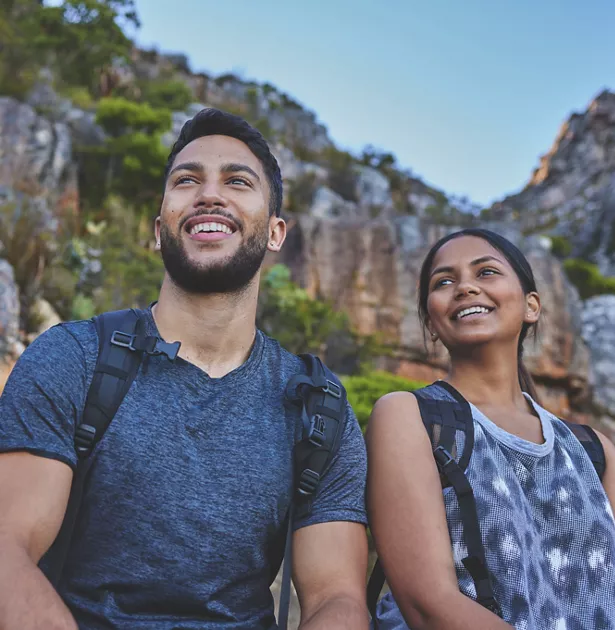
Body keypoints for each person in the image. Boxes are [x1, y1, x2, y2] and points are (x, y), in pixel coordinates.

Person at [0, 108, 369, 630]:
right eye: (186, 180)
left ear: (276, 234)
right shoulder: (73, 358)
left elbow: (337, 596)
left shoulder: (318, 406)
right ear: (158, 229)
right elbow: (7, 550)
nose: (209, 194)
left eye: (237, 181)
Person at [366, 228, 615, 629]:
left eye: (486, 272)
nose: (464, 287)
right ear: (431, 323)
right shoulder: (411, 417)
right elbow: (430, 605)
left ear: (531, 305)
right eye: (443, 281)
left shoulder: (593, 450)